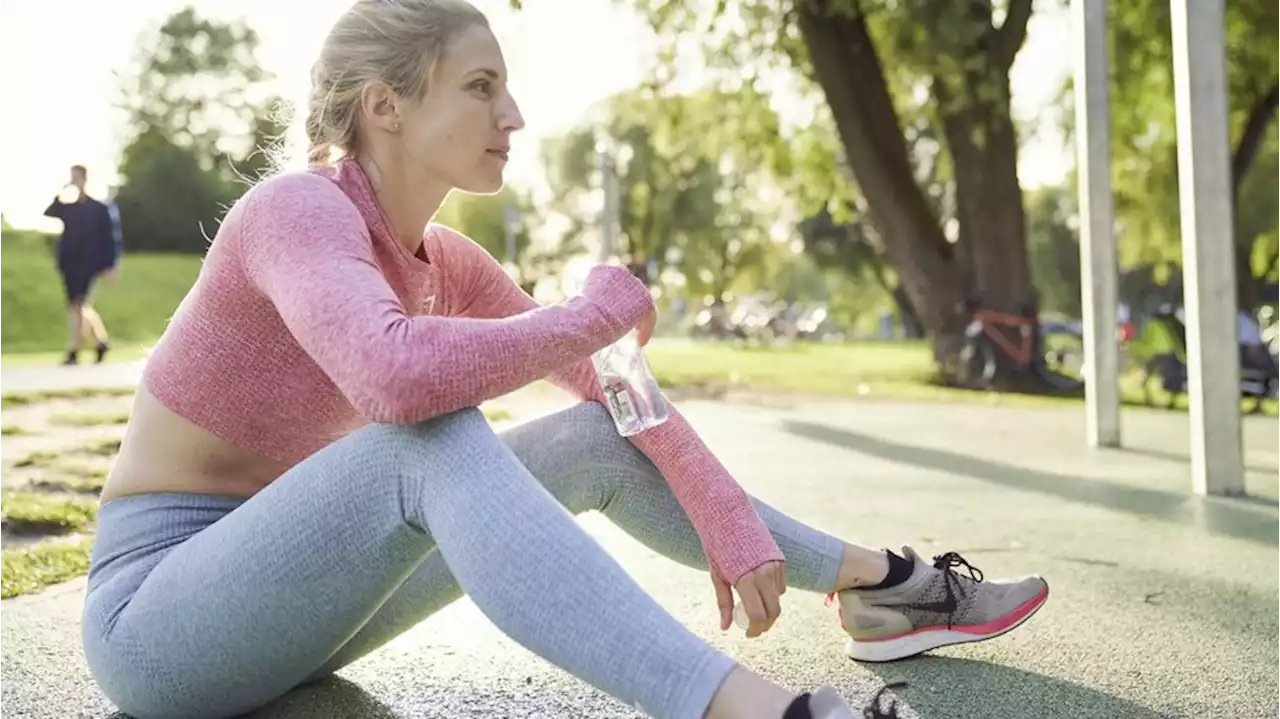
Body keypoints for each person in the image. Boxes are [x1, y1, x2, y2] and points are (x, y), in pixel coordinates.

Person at [80, 2, 1049, 718]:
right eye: (479, 85)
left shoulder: (448, 261)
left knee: (595, 436)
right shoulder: (296, 210)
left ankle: (880, 584)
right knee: (427, 436)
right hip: (158, 623)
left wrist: (720, 510)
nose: (514, 115)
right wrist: (590, 314)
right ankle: (762, 713)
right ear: (385, 104)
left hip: (302, 605)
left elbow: (614, 387)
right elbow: (394, 377)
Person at [43, 164, 118, 365]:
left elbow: (110, 238)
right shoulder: (68, 208)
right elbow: (49, 212)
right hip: (70, 264)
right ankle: (101, 342)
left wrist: (110, 265)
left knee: (79, 304)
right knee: (78, 306)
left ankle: (73, 350)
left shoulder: (99, 209)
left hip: (90, 264)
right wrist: (62, 190)